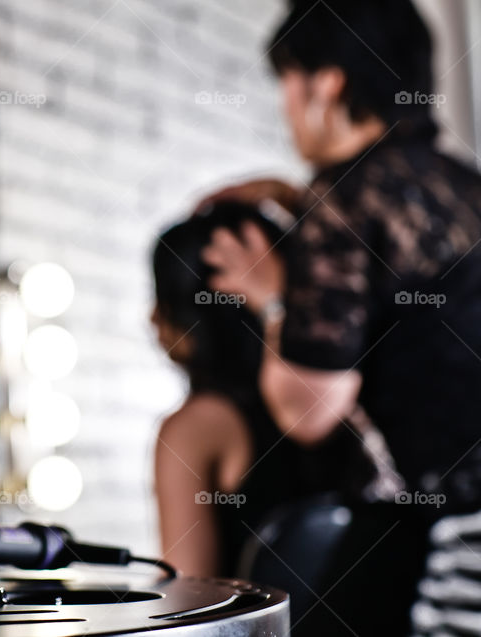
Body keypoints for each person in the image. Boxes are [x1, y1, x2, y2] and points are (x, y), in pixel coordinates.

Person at [199, 0, 481, 632]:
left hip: (463, 545)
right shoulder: (461, 187)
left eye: (287, 84)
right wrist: (294, 199)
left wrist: (272, 293)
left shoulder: (345, 197)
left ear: (326, 82)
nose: (286, 109)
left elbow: (308, 410)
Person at [152, 202, 347, 577]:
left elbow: (186, 604)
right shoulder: (345, 396)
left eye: (163, 296)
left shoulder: (195, 429)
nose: (151, 316)